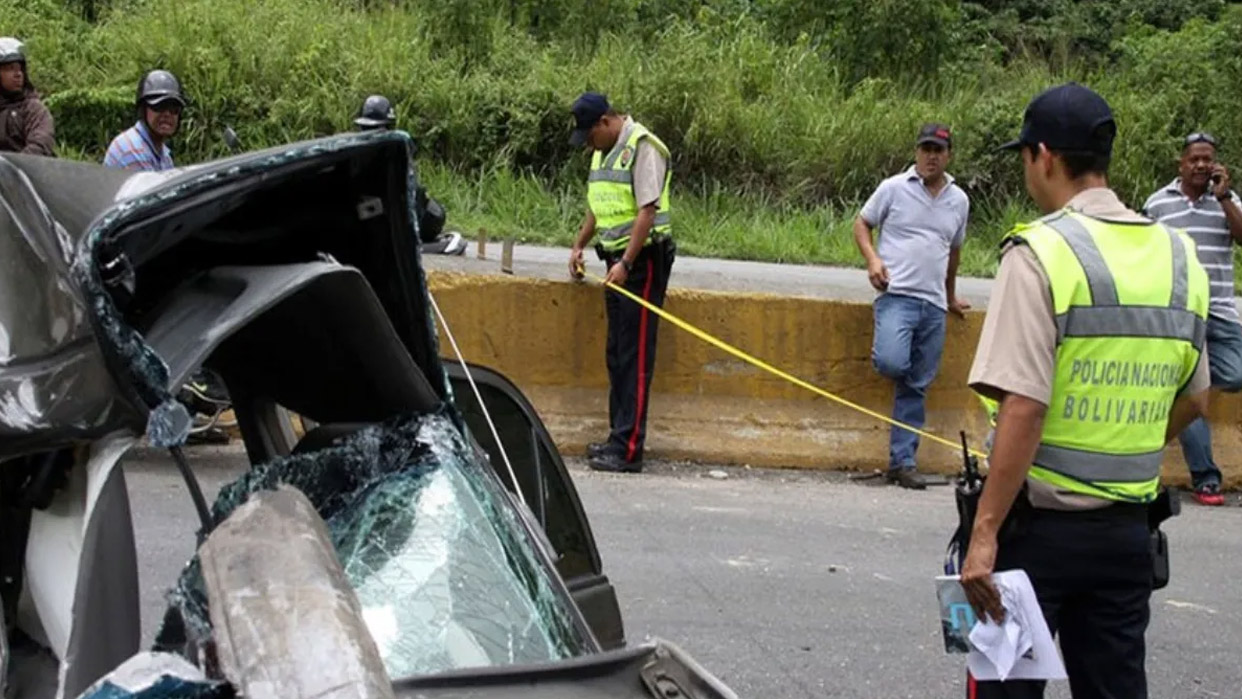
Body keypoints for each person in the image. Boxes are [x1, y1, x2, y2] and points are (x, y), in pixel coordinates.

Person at [961, 82, 1211, 699]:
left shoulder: (1039, 251)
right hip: (1127, 534)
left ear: (1043, 156)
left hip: (1037, 533)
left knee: (1004, 689)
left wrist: (984, 532)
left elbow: (1023, 404)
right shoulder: (1180, 258)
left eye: (1024, 158)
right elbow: (1197, 400)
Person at [853, 123, 971, 489]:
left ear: (948, 155)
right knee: (892, 361)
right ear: (916, 152)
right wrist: (873, 260)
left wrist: (950, 296)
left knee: (917, 386)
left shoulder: (959, 200)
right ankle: (901, 458)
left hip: (933, 305)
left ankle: (903, 462)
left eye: (938, 150)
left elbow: (953, 252)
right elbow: (861, 223)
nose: (930, 156)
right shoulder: (893, 188)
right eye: (925, 149)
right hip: (897, 295)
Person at [567, 92, 676, 474]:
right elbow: (597, 207)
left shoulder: (642, 147)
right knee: (616, 353)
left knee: (636, 355)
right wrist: (579, 245)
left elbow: (648, 210)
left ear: (605, 122)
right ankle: (618, 436)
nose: (588, 145)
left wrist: (627, 264)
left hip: (643, 262)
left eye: (590, 135)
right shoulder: (603, 151)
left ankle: (630, 449)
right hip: (616, 261)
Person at [1141, 131, 1242, 507]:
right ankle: (1207, 479)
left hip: (1219, 308)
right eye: (1195, 159)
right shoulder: (1158, 204)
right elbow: (1146, 251)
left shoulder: (1227, 202)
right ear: (1181, 163)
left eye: (1208, 159)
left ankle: (1181, 402)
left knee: (1233, 373)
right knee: (1194, 392)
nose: (1201, 165)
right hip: (1179, 311)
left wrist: (1225, 198)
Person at [103, 69, 185, 171]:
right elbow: (154, 187)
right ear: (143, 110)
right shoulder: (132, 149)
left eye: (174, 109)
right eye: (159, 106)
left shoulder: (163, 153)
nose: (167, 114)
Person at [0, 37, 55, 156]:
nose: (18, 74)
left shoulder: (33, 109)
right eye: (10, 69)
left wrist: (10, 168)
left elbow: (41, 144)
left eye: (20, 69)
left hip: (28, 171)